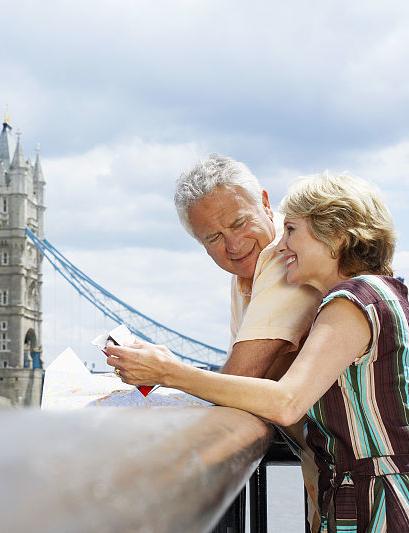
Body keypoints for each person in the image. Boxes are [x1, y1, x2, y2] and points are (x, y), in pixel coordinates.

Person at [107, 172, 408, 532]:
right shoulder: (384, 294)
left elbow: (287, 401)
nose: (281, 247)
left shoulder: (351, 303)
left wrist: (170, 371)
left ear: (336, 235)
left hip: (379, 502)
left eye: (291, 230)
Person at [174, 154, 321, 379]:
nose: (235, 245)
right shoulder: (247, 266)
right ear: (201, 243)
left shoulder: (286, 255)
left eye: (240, 223)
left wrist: (168, 371)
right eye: (214, 237)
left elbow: (239, 378)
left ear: (265, 204)